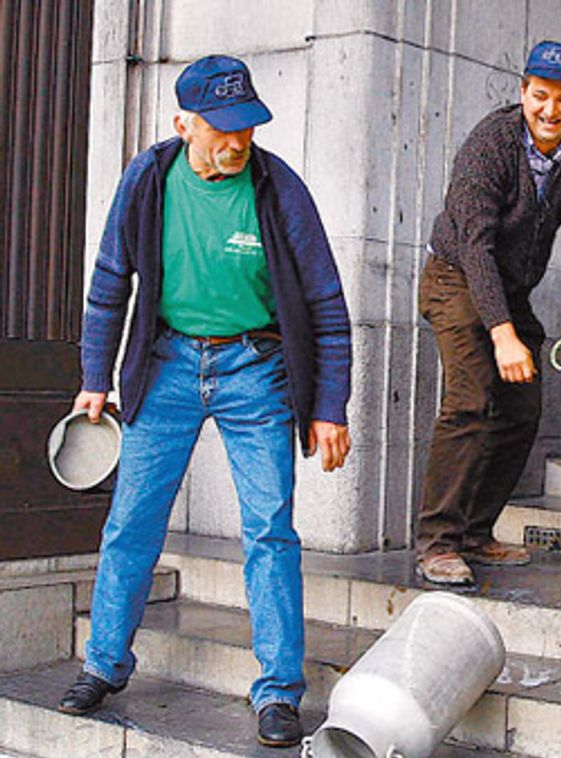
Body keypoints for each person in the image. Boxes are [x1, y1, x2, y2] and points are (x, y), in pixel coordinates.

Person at [57, 55, 353, 748]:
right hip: (166, 366)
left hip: (257, 370)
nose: (238, 140)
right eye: (223, 127)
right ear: (183, 122)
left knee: (270, 530)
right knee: (131, 521)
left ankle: (278, 690)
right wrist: (95, 376)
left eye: (248, 125)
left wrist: (330, 405)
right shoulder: (149, 180)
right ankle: (103, 664)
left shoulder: (279, 189)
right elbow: (109, 283)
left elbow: (326, 306)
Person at [415, 40, 561, 586]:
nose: (550, 111)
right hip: (455, 275)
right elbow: (476, 245)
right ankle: (438, 541)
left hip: (509, 290)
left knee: (521, 409)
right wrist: (502, 334)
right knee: (471, 400)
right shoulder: (491, 143)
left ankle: (475, 533)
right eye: (540, 96)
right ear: (523, 93)